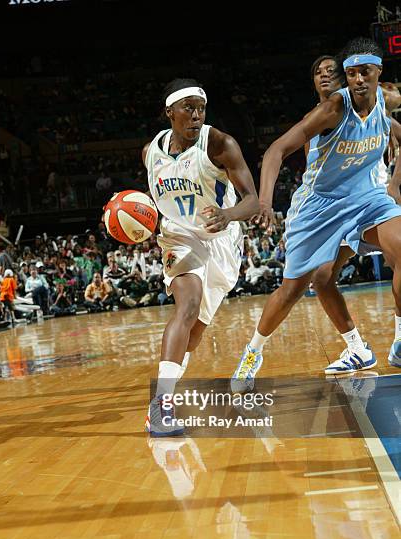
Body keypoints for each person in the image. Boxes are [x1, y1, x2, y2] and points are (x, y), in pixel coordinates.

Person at [232, 37, 401, 391]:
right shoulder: (329, 112)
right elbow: (277, 149)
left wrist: (395, 185)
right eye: (350, 72)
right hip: (319, 208)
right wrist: (265, 201)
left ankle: (399, 341)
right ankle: (253, 352)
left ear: (377, 73)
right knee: (299, 287)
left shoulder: (385, 101)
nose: (357, 78)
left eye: (363, 72)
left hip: (366, 199)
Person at [143, 78, 260, 435]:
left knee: (195, 331)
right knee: (187, 306)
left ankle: (168, 391)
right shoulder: (151, 151)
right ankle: (162, 404)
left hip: (222, 239)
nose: (196, 116)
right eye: (187, 109)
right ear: (170, 113)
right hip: (179, 236)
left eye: (201, 109)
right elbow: (155, 203)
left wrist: (229, 214)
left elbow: (253, 200)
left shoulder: (220, 143)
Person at [308, 55, 401, 373]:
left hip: (372, 204)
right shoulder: (319, 118)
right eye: (319, 72)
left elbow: (391, 97)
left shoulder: (365, 106)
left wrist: (395, 184)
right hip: (339, 214)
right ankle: (358, 349)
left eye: (332, 72)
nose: (325, 76)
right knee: (321, 278)